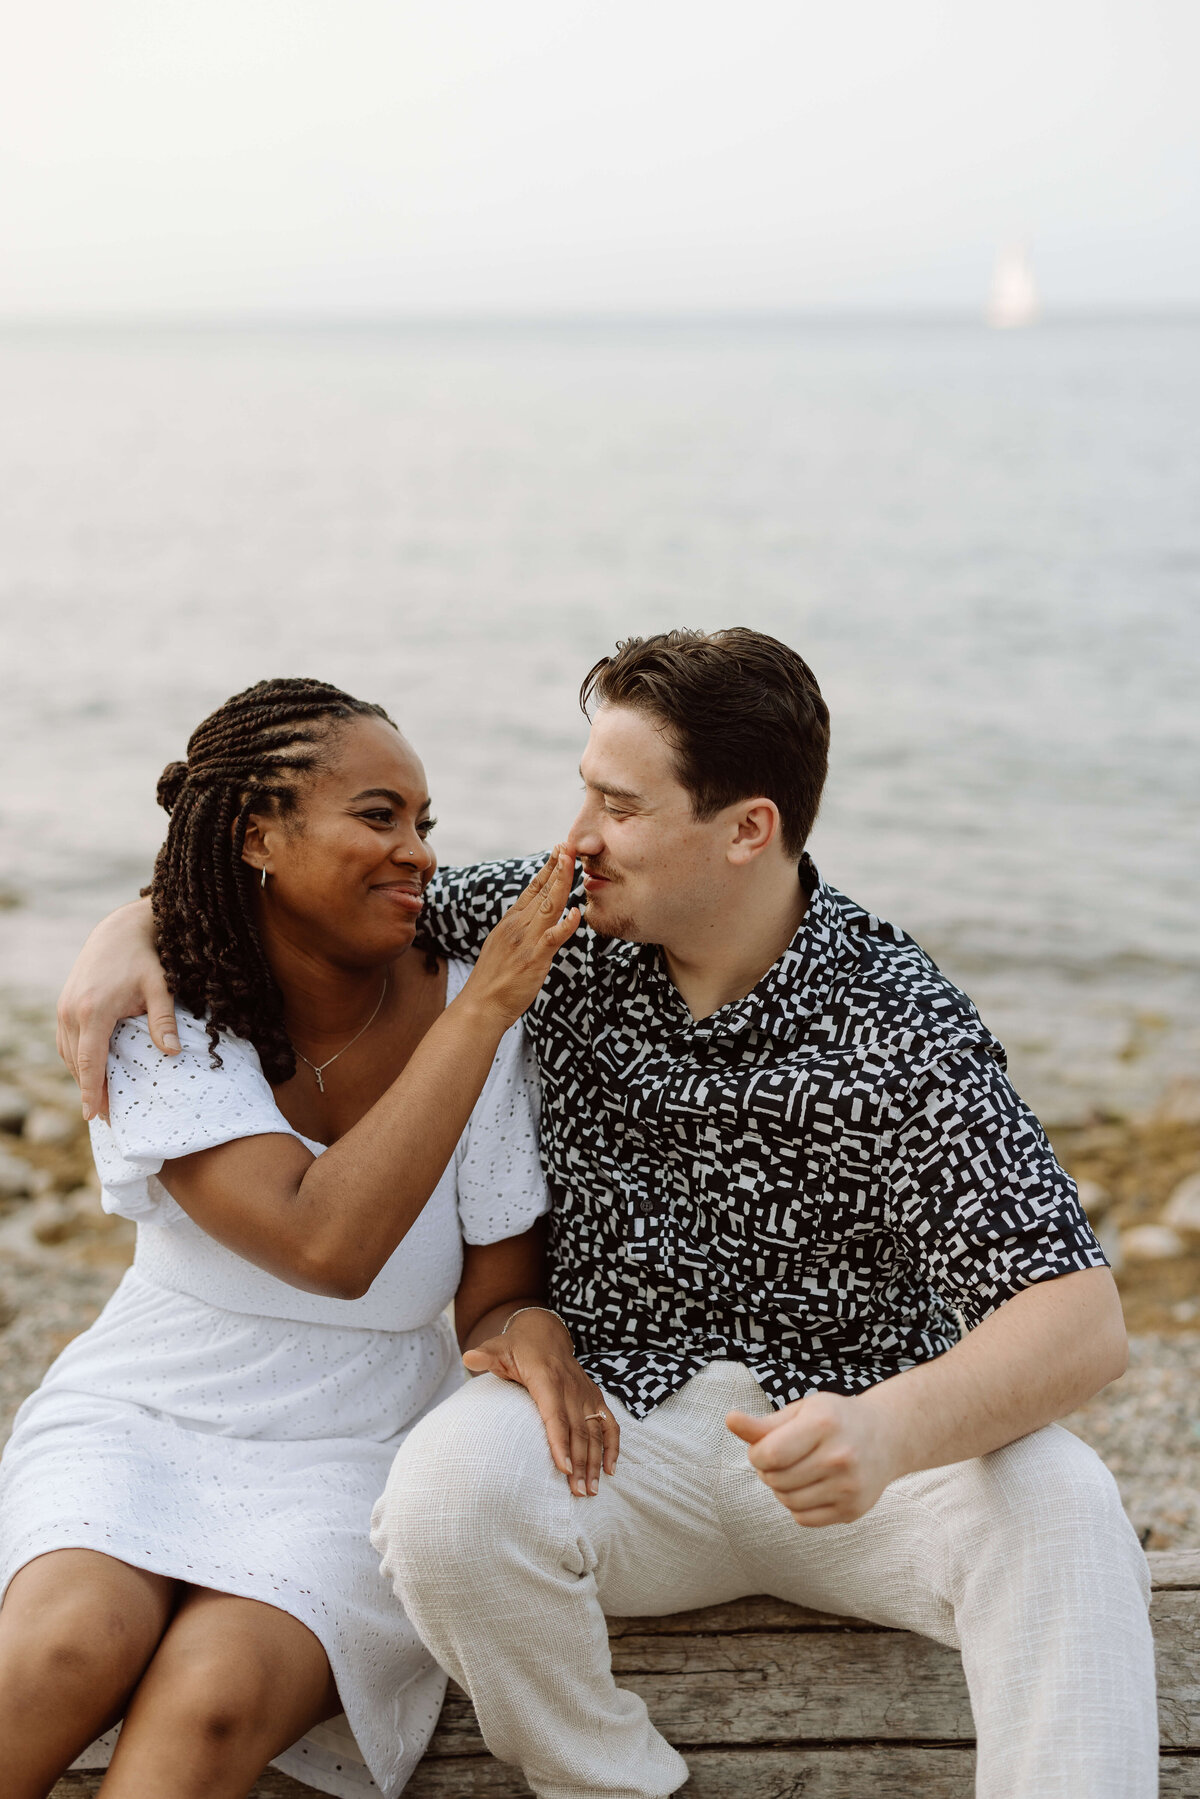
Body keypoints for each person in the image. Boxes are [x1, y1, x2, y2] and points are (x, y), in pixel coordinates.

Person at [56, 633, 1156, 1799]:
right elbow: (302, 884)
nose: (577, 832)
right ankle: (615, 1785)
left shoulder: (898, 1023)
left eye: (619, 804)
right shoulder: (558, 921)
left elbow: (1082, 1321)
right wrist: (125, 930)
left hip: (857, 1452)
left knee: (1065, 1498)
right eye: (584, 787)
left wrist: (889, 1429)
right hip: (614, 1442)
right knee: (441, 1495)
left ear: (746, 828)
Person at [0, 676, 605, 1799]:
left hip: (360, 1447)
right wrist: (478, 1018)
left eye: (426, 823)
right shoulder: (169, 1003)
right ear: (259, 834)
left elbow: (495, 1289)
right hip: (146, 1406)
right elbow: (324, 1246)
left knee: (217, 1695)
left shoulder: (477, 1001)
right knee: (62, 1646)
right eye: (379, 815)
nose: (418, 851)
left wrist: (530, 1332)